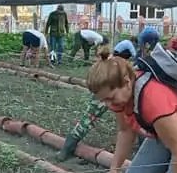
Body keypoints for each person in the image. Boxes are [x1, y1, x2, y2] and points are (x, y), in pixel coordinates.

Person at [56, 30, 160, 161]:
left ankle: (67, 148)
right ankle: (68, 147)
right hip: (115, 87)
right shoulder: (138, 53)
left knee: (135, 118)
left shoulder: (140, 55)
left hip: (117, 88)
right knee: (136, 117)